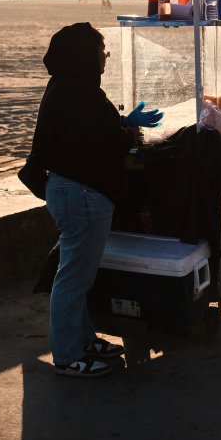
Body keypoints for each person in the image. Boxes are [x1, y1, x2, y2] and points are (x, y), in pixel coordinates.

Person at [34, 22, 163, 377]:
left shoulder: (69, 86)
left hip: (72, 191)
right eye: (100, 50)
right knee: (74, 277)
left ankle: (84, 339)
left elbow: (92, 130)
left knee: (81, 275)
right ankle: (67, 355)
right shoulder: (78, 92)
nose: (105, 55)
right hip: (82, 194)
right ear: (84, 55)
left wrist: (123, 122)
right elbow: (103, 142)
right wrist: (128, 130)